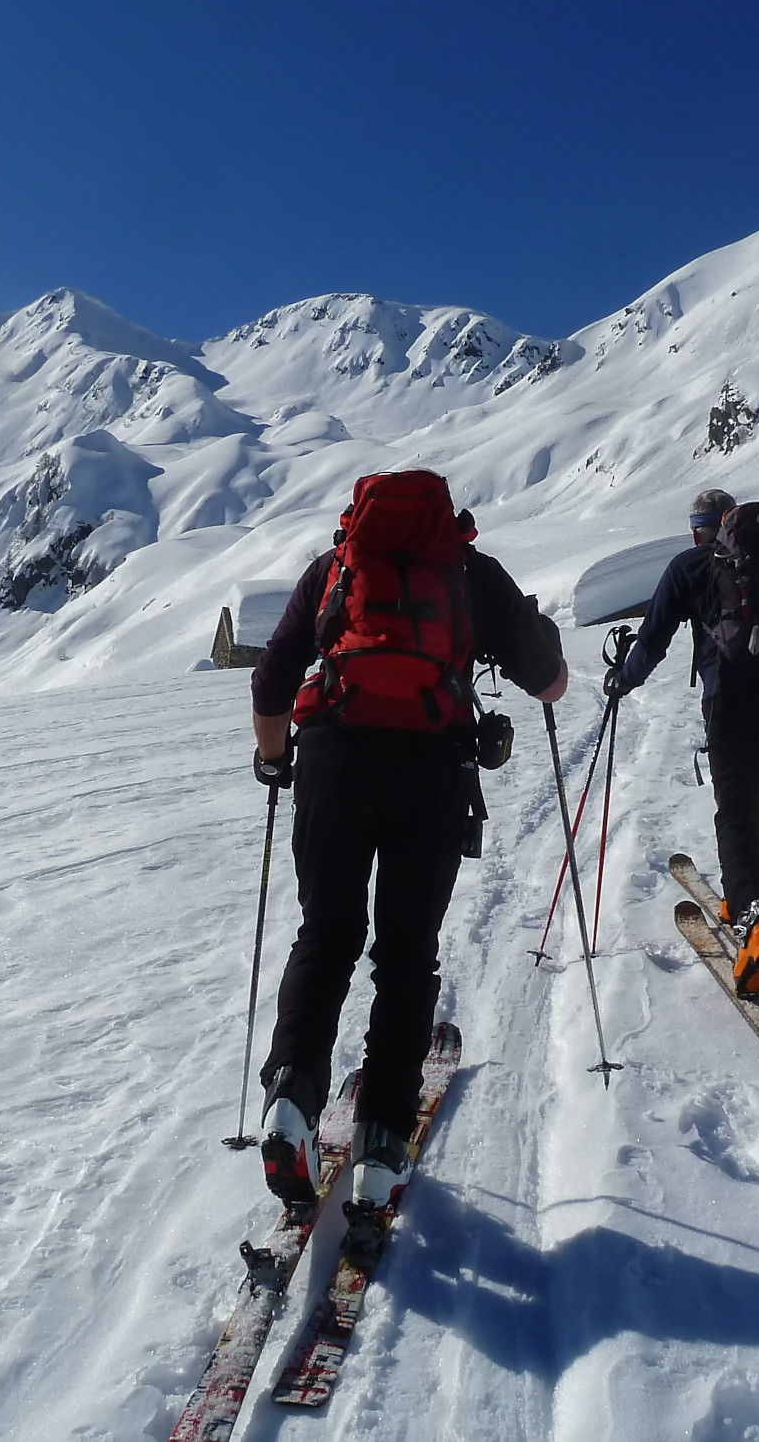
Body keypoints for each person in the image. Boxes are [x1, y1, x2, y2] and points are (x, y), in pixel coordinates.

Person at [249, 469, 566, 1216]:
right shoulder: (469, 573)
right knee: (404, 955)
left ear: (357, 517)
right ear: (443, 519)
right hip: (430, 768)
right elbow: (549, 682)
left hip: (332, 758)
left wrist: (274, 759)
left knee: (325, 938)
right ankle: (382, 1144)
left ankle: (291, 1102)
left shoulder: (335, 570)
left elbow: (271, 678)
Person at [605, 487, 759, 996]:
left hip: (733, 698)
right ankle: (741, 892)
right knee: (747, 794)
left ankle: (755, 919)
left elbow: (652, 641)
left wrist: (623, 679)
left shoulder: (690, 566)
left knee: (736, 804)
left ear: (699, 527)